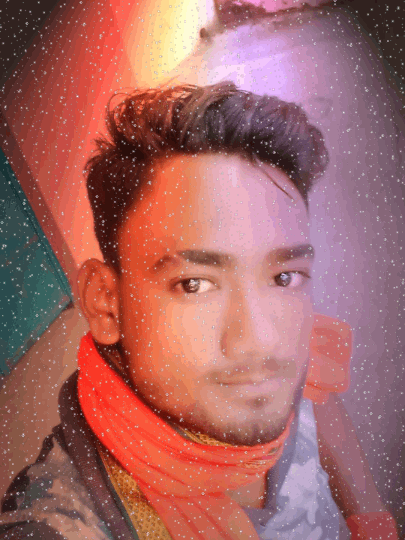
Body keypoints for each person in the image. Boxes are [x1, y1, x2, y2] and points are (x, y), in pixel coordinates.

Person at [0, 82, 398, 540]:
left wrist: (371, 520)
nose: (261, 341)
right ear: (106, 303)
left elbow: (316, 395)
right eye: (195, 284)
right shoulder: (62, 519)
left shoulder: (284, 341)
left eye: (283, 277)